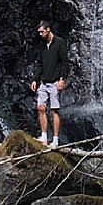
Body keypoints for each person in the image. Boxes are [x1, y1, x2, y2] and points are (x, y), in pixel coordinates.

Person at [31, 20, 69, 149]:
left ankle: (56, 139)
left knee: (54, 110)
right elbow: (40, 63)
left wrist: (62, 79)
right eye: (39, 32)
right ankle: (44, 136)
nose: (40, 34)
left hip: (55, 81)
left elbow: (65, 62)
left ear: (48, 29)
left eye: (42, 31)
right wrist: (35, 79)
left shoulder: (59, 43)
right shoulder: (42, 45)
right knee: (40, 108)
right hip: (43, 81)